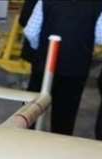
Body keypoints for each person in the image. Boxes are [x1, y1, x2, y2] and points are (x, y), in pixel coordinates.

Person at [24, 0, 102, 136]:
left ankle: (24, 142)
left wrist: (39, 49)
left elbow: (31, 31)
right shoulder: (98, 4)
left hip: (44, 64)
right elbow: (100, 37)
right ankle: (59, 145)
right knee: (65, 117)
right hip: (75, 67)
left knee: (31, 111)